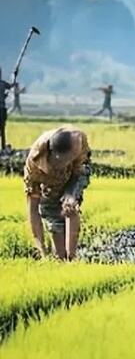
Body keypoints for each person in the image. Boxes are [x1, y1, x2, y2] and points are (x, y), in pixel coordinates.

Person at [24, 126, 91, 260]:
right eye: (67, 160)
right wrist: (41, 250)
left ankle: (71, 258)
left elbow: (80, 172)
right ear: (56, 156)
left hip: (75, 176)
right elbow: (33, 210)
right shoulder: (34, 164)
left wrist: (71, 194)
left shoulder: (78, 141)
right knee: (53, 217)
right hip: (49, 185)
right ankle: (61, 257)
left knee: (70, 206)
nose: (70, 162)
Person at [0, 67, 14, 150]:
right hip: (2, 109)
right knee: (2, 128)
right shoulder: (3, 84)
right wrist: (14, 75)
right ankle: (3, 147)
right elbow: (11, 85)